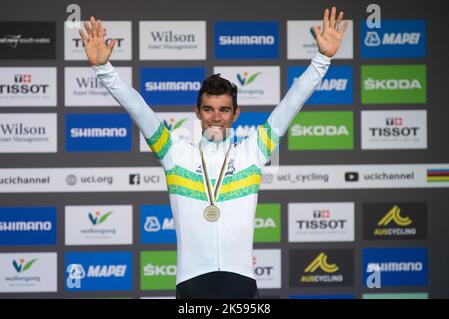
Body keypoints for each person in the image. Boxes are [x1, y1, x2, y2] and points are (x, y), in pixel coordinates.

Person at [79, 7, 349, 299]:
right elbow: (138, 108)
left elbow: (290, 104)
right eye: (208, 109)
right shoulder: (174, 154)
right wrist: (104, 70)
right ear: (197, 113)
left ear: (236, 114)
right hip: (192, 281)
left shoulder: (253, 151)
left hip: (241, 281)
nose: (216, 117)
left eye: (224, 110)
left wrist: (323, 60)